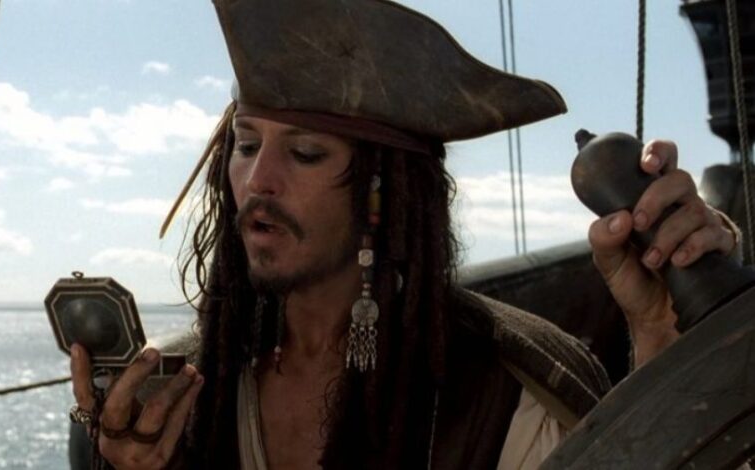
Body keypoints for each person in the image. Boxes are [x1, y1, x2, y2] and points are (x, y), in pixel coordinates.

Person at [68, 0, 741, 469]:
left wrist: (666, 344)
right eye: (246, 146)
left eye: (305, 154)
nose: (259, 180)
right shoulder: (191, 392)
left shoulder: (512, 393)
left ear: (381, 196)